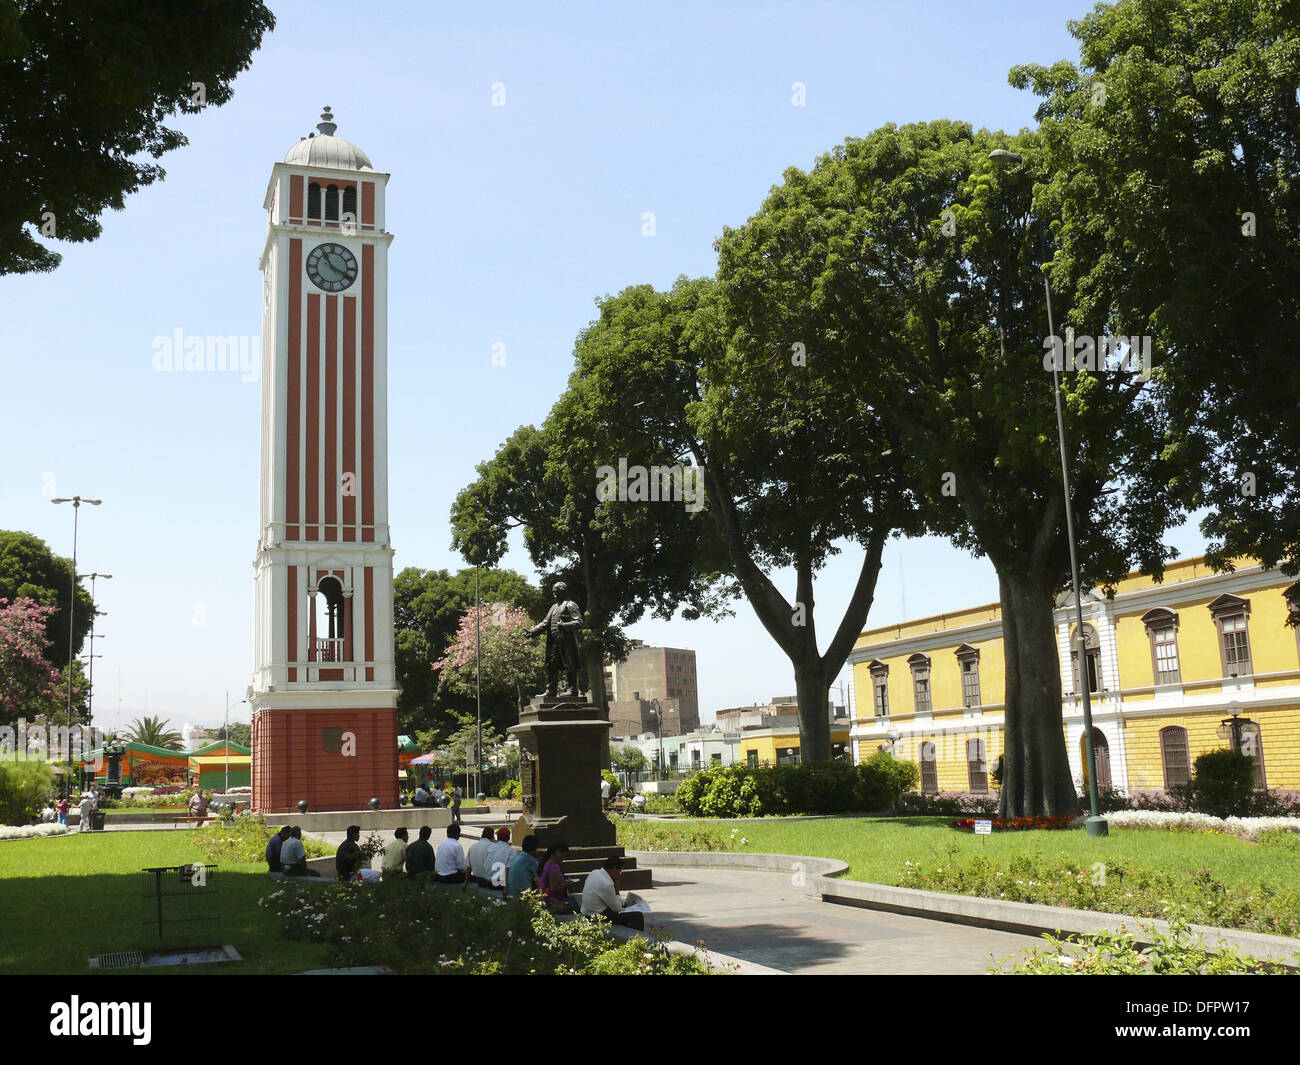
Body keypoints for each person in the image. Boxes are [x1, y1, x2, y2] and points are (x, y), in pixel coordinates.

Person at [580, 855, 645, 930]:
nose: (619, 874)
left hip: (587, 912)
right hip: (596, 916)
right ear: (614, 869)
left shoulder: (594, 872)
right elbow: (617, 908)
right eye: (620, 871)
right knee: (637, 916)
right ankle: (634, 938)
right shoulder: (606, 883)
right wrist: (616, 887)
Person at [538, 843, 578, 913]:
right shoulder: (554, 867)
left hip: (546, 901)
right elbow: (553, 888)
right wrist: (567, 883)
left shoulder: (547, 864)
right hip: (552, 903)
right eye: (563, 855)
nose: (563, 858)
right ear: (557, 853)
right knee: (577, 906)